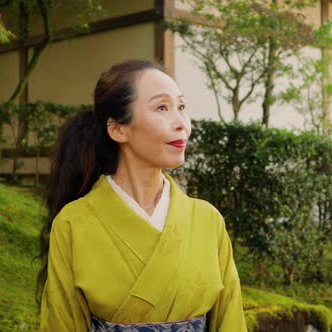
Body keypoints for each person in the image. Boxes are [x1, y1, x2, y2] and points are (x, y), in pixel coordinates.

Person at [36, 59, 247, 332]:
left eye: (181, 107)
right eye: (162, 107)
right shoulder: (73, 223)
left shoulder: (207, 219)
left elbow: (230, 321)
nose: (181, 123)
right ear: (118, 129)